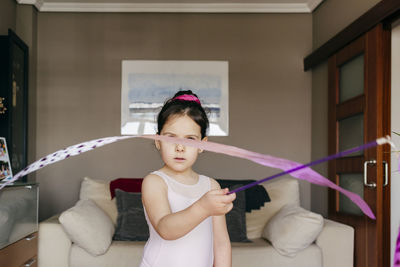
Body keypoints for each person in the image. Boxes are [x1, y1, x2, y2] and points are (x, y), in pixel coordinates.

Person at [140, 90, 236, 267]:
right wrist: (203, 207)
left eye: (190, 139)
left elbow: (221, 244)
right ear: (157, 141)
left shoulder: (211, 186)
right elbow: (165, 228)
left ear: (202, 145)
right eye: (171, 138)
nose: (180, 147)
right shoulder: (154, 182)